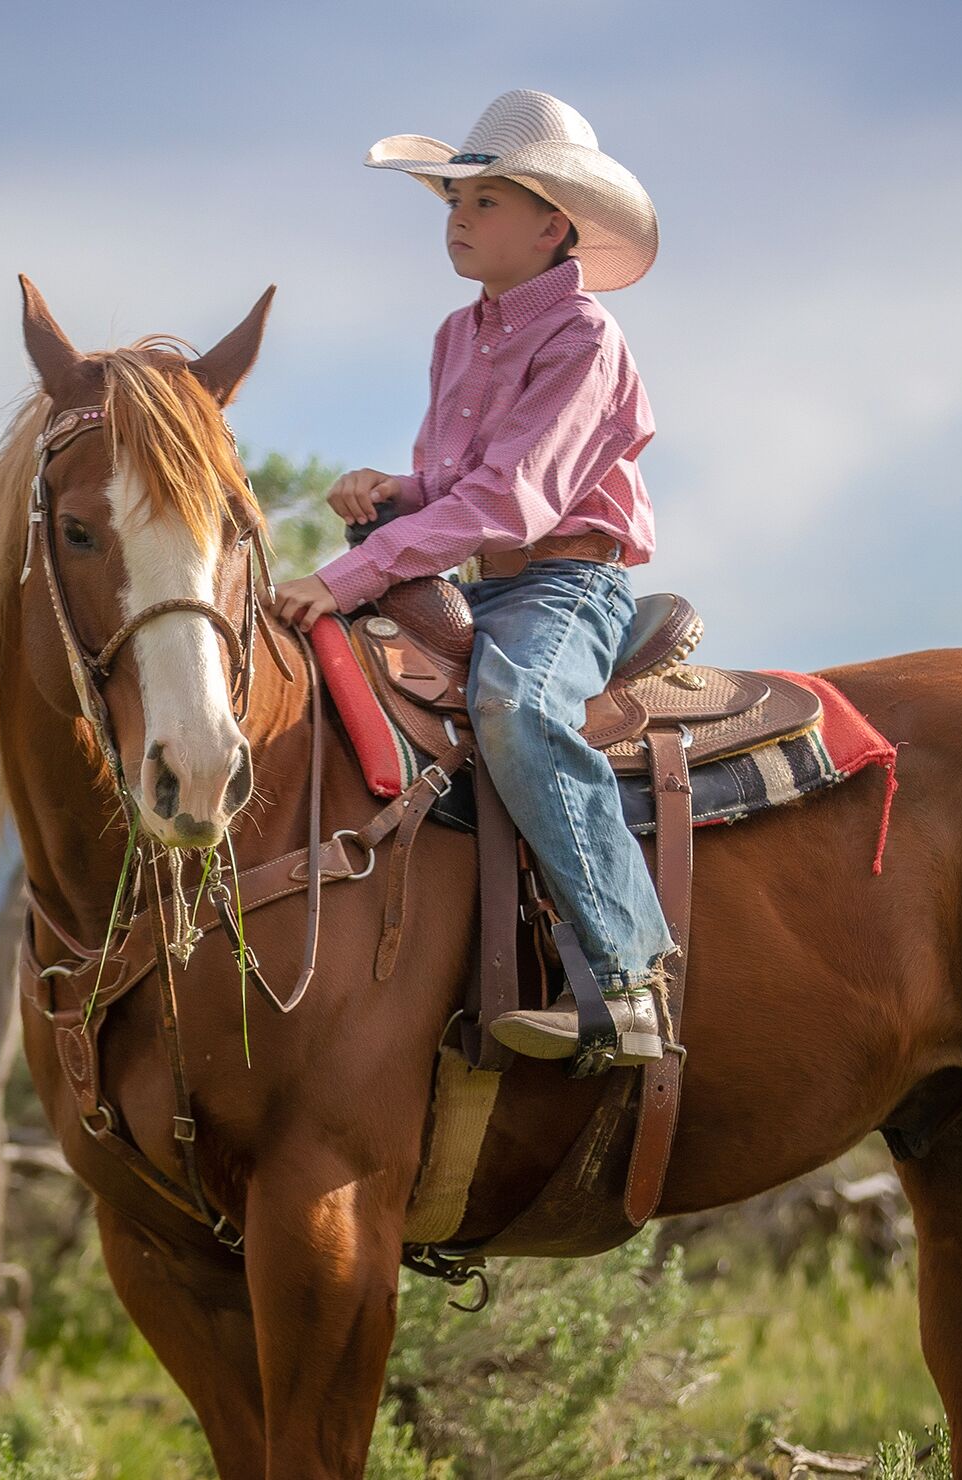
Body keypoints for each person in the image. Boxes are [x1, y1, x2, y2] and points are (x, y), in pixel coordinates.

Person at [270, 89, 674, 1067]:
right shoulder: (459, 335)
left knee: (517, 709)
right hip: (479, 581)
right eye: (453, 198)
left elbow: (514, 502)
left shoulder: (584, 339)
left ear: (553, 225)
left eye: (484, 200)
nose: (456, 216)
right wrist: (396, 489)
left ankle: (631, 981)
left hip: (566, 585)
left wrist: (353, 568)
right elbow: (459, 487)